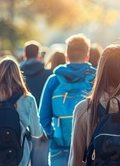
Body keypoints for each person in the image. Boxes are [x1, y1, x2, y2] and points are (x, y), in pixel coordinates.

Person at [39, 34, 96, 166]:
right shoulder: (96, 79)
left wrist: (53, 134)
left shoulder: (54, 80)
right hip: (88, 145)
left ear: (66, 57)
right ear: (87, 56)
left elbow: (43, 116)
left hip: (59, 145)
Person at [19, 40, 51, 166]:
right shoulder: (48, 74)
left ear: (24, 55)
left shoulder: (17, 74)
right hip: (42, 124)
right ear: (39, 55)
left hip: (21, 123)